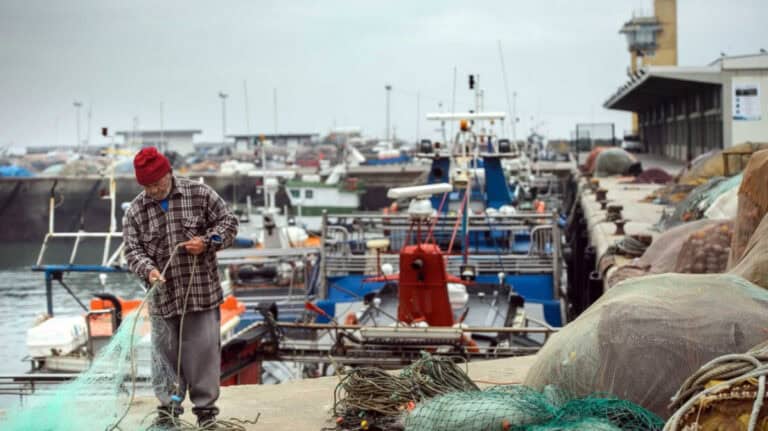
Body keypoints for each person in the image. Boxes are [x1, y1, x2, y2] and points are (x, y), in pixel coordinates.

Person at [122, 147, 238, 429]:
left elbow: (229, 223)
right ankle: (168, 410)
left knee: (203, 353)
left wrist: (208, 241)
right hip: (163, 299)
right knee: (164, 357)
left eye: (157, 184)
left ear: (169, 174)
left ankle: (206, 412)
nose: (153, 190)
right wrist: (148, 270)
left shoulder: (199, 194)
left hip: (200, 293)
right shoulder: (136, 210)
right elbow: (132, 250)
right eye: (147, 186)